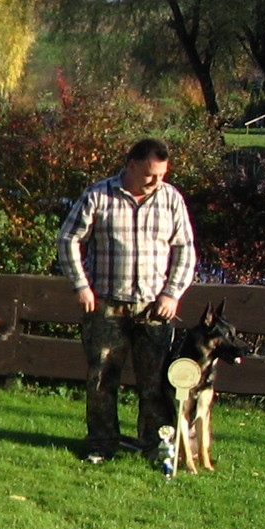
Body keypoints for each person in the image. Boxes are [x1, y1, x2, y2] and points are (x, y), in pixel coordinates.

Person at [57, 137, 197, 465]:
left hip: (153, 309)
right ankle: (101, 444)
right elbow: (68, 238)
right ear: (131, 165)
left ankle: (154, 446)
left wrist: (172, 293)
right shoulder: (98, 195)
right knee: (103, 378)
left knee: (154, 383)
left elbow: (186, 250)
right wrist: (81, 285)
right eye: (150, 174)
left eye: (162, 174)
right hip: (106, 305)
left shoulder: (171, 199)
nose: (157, 181)